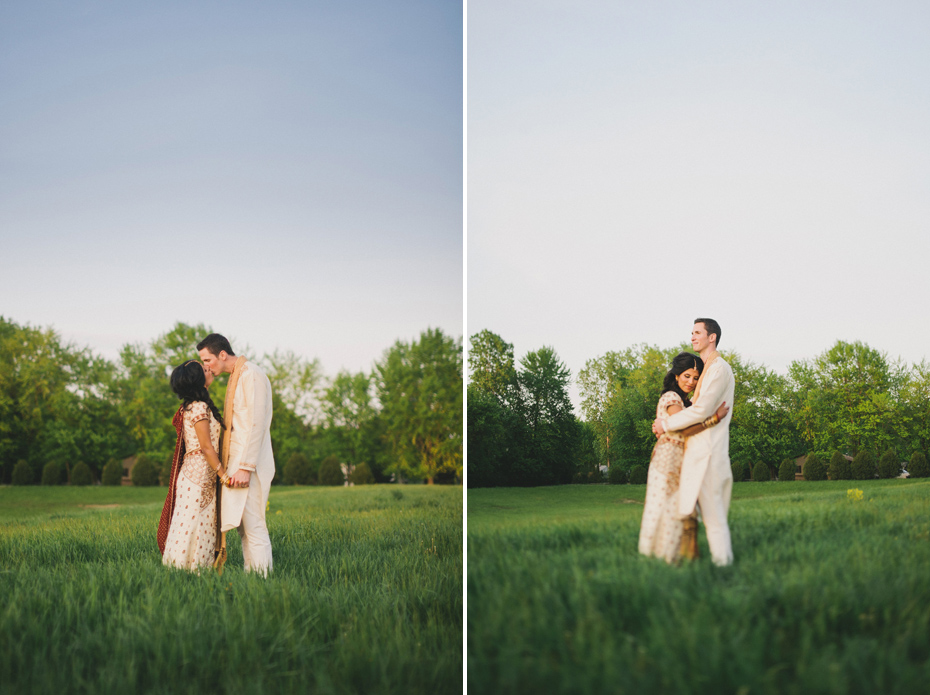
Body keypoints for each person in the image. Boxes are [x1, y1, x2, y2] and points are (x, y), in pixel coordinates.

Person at [653, 318, 735, 566]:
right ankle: (680, 560)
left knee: (713, 517)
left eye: (697, 332)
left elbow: (701, 410)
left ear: (712, 337)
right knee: (683, 512)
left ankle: (723, 566)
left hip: (708, 453)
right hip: (695, 452)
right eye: (691, 332)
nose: (692, 336)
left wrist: (665, 424)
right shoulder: (707, 369)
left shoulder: (719, 368)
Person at [639, 352, 728, 564]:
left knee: (680, 505)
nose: (691, 382)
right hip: (668, 458)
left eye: (696, 378)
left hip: (682, 456)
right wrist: (713, 419)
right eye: (687, 376)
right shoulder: (670, 397)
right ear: (677, 375)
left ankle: (675, 555)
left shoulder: (685, 402)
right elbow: (683, 427)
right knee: (665, 505)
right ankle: (660, 556)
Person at [198, 333, 276, 576]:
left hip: (248, 466)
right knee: (244, 529)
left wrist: (245, 466)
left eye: (208, 360)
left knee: (254, 526)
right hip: (238, 465)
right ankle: (251, 577)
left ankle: (263, 581)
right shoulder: (237, 377)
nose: (206, 366)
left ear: (222, 354)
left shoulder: (251, 375)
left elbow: (255, 424)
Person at [158, 360, 230, 571]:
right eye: (203, 369)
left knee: (198, 524)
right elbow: (207, 448)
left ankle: (186, 572)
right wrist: (224, 476)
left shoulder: (196, 406)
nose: (208, 368)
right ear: (196, 379)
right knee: (193, 526)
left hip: (199, 474)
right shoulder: (198, 407)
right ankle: (190, 572)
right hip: (197, 476)